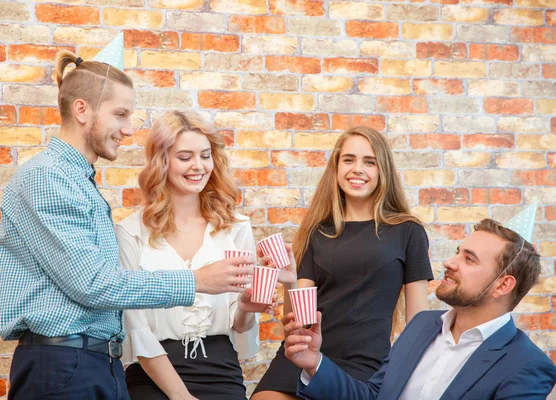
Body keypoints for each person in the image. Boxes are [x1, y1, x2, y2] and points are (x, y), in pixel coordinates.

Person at [0, 36, 252, 400]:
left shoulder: (80, 182)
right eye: (120, 114)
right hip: (64, 364)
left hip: (99, 364)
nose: (129, 129)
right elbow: (94, 284)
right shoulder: (48, 177)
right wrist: (194, 280)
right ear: (82, 110)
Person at [284, 216, 556, 399]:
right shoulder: (422, 325)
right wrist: (315, 363)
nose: (450, 262)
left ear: (502, 286)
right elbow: (373, 395)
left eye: (469, 259)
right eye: (458, 251)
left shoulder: (528, 366)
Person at [252, 126, 434, 400]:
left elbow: (417, 323)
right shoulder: (318, 231)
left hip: (364, 366)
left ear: (382, 170)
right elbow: (300, 319)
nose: (357, 169)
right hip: (302, 353)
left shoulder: (408, 231)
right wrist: (289, 282)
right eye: (349, 159)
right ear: (336, 167)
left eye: (369, 162)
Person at [116, 111, 281, 400]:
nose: (198, 166)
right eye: (185, 157)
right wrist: (180, 396)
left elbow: (239, 325)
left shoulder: (235, 228)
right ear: (161, 161)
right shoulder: (130, 232)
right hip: (153, 377)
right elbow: (136, 328)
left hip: (222, 373)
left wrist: (245, 307)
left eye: (205, 156)